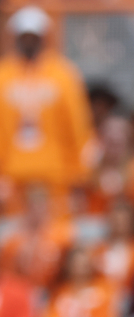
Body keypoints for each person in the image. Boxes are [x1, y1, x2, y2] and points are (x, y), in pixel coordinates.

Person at [0, 5, 92, 218]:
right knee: (16, 237)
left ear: (44, 37)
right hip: (13, 175)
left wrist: (79, 174)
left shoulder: (63, 75)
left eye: (34, 36)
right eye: (25, 36)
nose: (29, 42)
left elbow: (78, 126)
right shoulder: (4, 75)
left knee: (55, 234)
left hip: (56, 174)